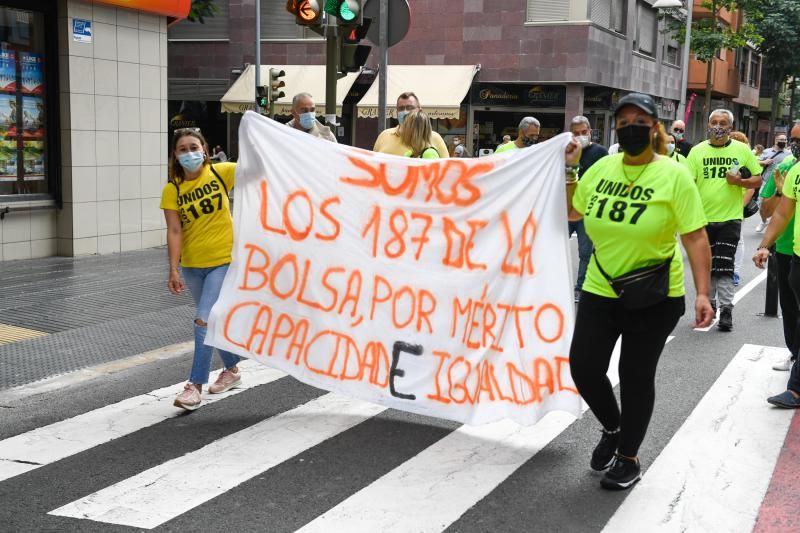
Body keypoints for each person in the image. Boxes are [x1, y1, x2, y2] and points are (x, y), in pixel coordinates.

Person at [567, 93, 713, 490]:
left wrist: (703, 292)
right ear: (615, 128)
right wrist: (567, 171)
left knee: (634, 374)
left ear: (655, 128)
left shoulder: (673, 174)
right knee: (583, 365)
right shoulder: (600, 168)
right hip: (601, 286)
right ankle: (613, 428)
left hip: (655, 294)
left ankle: (628, 457)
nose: (632, 126)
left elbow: (696, 237)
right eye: (624, 120)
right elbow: (573, 211)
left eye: (640, 120)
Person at [160, 128, 243, 411]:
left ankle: (194, 386)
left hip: (224, 260)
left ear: (205, 150)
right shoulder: (173, 189)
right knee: (210, 322)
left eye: (193, 147)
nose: (189, 153)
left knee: (203, 320)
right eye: (182, 149)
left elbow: (261, 172)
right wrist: (173, 268)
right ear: (175, 155)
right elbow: (174, 230)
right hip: (193, 266)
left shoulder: (222, 173)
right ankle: (231, 369)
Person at [685, 109, 762, 331]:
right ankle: (709, 307)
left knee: (725, 266)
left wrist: (739, 183)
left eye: (723, 123)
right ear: (708, 125)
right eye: (714, 122)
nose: (718, 126)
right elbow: (688, 185)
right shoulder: (697, 152)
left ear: (731, 126)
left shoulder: (741, 150)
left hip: (730, 218)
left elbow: (757, 180)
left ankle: (726, 310)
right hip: (702, 220)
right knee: (707, 266)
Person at [753, 128, 800, 409]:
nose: (795, 146)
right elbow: (780, 212)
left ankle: (795, 389)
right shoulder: (793, 171)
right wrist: (764, 244)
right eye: (794, 141)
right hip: (794, 256)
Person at [568, 115, 608, 302]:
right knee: (555, 248)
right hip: (566, 209)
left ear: (590, 132)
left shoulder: (600, 153)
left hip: (587, 211)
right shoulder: (566, 151)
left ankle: (580, 287)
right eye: (576, 133)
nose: (581, 136)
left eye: (584, 132)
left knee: (585, 252)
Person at [373, 92, 448, 157]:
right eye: (401, 108)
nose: (405, 112)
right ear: (396, 112)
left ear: (419, 111)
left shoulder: (434, 138)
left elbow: (447, 169)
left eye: (410, 108)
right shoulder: (383, 136)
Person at [756, 134, 790, 233]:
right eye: (781, 139)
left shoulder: (789, 154)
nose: (783, 141)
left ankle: (774, 225)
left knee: (778, 205)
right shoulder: (767, 151)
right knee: (762, 205)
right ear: (776, 140)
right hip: (766, 182)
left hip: (781, 183)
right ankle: (764, 221)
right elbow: (756, 162)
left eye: (785, 140)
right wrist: (764, 162)